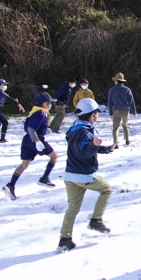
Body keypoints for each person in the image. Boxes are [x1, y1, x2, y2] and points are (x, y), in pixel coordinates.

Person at [58, 98, 120, 251]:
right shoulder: (85, 132)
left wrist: (105, 148)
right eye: (97, 114)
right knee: (106, 189)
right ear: (92, 115)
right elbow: (86, 153)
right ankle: (95, 220)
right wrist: (94, 145)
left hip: (70, 175)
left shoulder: (75, 129)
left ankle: (64, 239)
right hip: (83, 175)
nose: (97, 117)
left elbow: (83, 148)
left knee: (72, 207)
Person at [2, 93, 58, 200]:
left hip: (27, 139)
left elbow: (30, 127)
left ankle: (11, 185)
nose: (50, 104)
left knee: (24, 165)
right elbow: (31, 129)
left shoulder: (35, 111)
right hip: (34, 140)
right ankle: (44, 178)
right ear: (44, 103)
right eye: (49, 102)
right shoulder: (41, 113)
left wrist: (45, 130)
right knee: (54, 157)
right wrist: (37, 141)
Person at [108, 72, 138, 145]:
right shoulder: (127, 90)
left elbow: (110, 102)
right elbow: (131, 101)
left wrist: (110, 113)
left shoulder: (112, 90)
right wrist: (134, 112)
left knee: (115, 127)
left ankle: (115, 143)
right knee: (125, 125)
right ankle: (127, 140)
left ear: (116, 81)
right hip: (125, 110)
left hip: (116, 110)